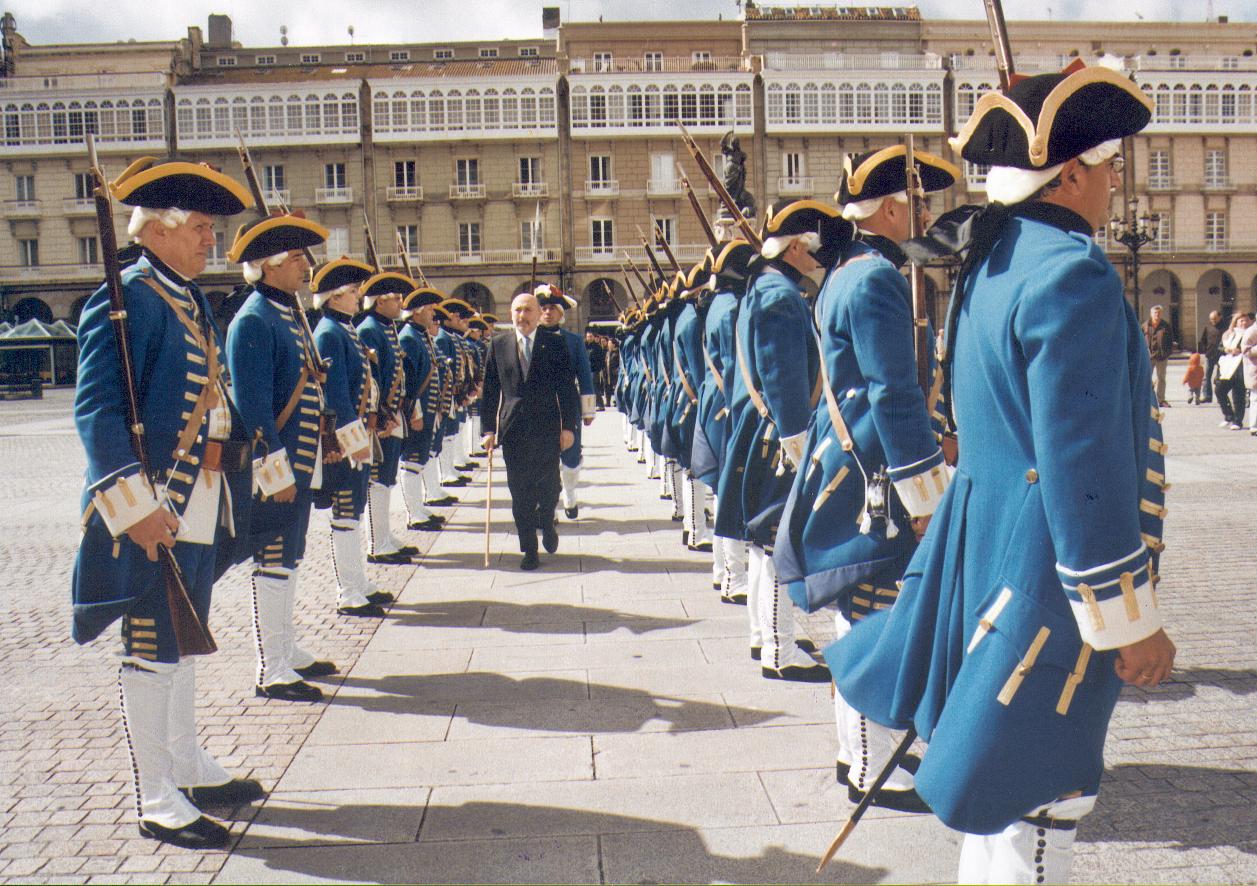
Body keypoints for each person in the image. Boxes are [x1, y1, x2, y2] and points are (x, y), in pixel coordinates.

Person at [830, 63, 1175, 884]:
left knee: (1000, 792)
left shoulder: (994, 259)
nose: (1115, 185)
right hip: (1049, 571)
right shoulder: (1070, 271)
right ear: (1072, 173)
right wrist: (1126, 619)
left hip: (988, 549)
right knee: (1040, 791)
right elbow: (1081, 460)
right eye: (1110, 167)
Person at [72, 158, 261, 849]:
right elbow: (97, 412)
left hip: (197, 497)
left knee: (183, 636)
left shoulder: (186, 298)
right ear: (158, 229)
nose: (212, 239)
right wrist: (135, 508)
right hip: (153, 502)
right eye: (202, 227)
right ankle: (156, 797)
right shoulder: (128, 298)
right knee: (151, 645)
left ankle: (185, 764)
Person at [775, 145, 958, 812]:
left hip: (846, 463)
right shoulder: (877, 277)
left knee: (859, 610)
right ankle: (869, 765)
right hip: (874, 471)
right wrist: (925, 494)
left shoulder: (847, 273)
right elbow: (892, 393)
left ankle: (854, 750)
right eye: (918, 201)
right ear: (889, 209)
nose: (925, 213)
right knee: (872, 614)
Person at [718, 200, 845, 683]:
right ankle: (780, 650)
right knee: (776, 539)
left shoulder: (765, 287)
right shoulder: (780, 296)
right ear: (794, 248)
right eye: (813, 248)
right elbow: (783, 379)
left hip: (764, 430)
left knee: (761, 542)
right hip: (779, 435)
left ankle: (764, 633)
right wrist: (798, 445)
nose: (818, 257)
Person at [226, 213, 340, 704]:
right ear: (268, 265)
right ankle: (270, 668)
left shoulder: (287, 314)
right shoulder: (254, 320)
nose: (306, 267)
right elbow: (252, 408)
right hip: (278, 467)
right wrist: (275, 472)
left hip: (301, 460)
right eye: (296, 258)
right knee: (272, 560)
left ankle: (286, 649)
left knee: (290, 556)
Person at [310, 258, 390, 617]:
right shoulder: (329, 332)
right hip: (346, 439)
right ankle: (347, 592)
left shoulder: (345, 328)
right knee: (344, 514)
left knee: (354, 511)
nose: (359, 296)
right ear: (335, 296)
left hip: (360, 432)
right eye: (354, 291)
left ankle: (359, 582)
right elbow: (336, 394)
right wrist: (352, 439)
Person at [480, 292, 580, 570]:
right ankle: (529, 548)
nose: (522, 316)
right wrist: (488, 430)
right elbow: (490, 391)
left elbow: (567, 389)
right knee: (520, 493)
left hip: (547, 428)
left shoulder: (555, 344)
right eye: (517, 310)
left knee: (549, 487)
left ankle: (547, 521)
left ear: (538, 315)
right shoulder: (498, 344)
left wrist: (568, 427)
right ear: (510, 314)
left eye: (527, 310)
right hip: (513, 431)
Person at [695, 239, 757, 605]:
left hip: (715, 402)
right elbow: (738, 369)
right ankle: (734, 575)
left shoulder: (717, 303)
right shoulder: (733, 306)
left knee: (722, 489)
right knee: (730, 489)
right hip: (728, 403)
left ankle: (723, 570)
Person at [356, 273, 421, 564]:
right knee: (378, 480)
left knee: (386, 478)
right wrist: (381, 414)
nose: (400, 304)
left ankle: (385, 536)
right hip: (382, 416)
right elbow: (374, 379)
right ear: (379, 301)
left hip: (391, 413)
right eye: (395, 298)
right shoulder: (371, 330)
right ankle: (377, 543)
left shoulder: (386, 328)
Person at [536, 284, 597, 519]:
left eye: (552, 308)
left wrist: (588, 410)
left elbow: (585, 375)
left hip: (567, 404)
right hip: (540, 406)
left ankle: (570, 492)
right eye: (543, 308)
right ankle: (548, 507)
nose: (547, 312)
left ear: (561, 313)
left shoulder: (573, 340)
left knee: (570, 456)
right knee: (544, 459)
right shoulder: (531, 338)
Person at [396, 286, 448, 530]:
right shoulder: (409, 337)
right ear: (416, 312)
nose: (433, 314)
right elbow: (408, 382)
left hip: (427, 409)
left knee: (419, 460)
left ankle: (419, 507)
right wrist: (414, 412)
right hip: (417, 411)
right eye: (429, 309)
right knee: (411, 461)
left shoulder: (420, 335)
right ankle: (413, 514)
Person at [1215, 312, 1249, 429]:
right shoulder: (1229, 334)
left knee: (1238, 395)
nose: (1244, 323)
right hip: (1228, 366)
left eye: (1246, 320)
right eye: (1241, 321)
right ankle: (1229, 415)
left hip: (1241, 366)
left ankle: (1237, 421)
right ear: (1236, 322)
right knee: (1219, 390)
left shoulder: (1250, 333)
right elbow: (1220, 347)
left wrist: (1240, 350)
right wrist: (1228, 350)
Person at [1143, 304, 1173, 407]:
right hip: (1149, 356)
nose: (1157, 314)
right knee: (1146, 378)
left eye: (1159, 313)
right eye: (1155, 313)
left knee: (1161, 378)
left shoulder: (1166, 326)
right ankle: (1147, 399)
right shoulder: (1145, 325)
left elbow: (1170, 341)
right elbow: (1140, 340)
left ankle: (1161, 400)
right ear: (1151, 314)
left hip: (1162, 357)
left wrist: (1167, 353)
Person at [1196, 309, 1223, 404]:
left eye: (1215, 319)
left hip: (1222, 355)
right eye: (1211, 319)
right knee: (1206, 376)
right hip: (1209, 354)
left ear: (1220, 317)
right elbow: (1203, 340)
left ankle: (1220, 396)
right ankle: (1207, 396)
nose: (1213, 321)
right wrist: (1205, 350)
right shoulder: (1208, 327)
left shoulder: (1225, 327)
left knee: (1220, 377)